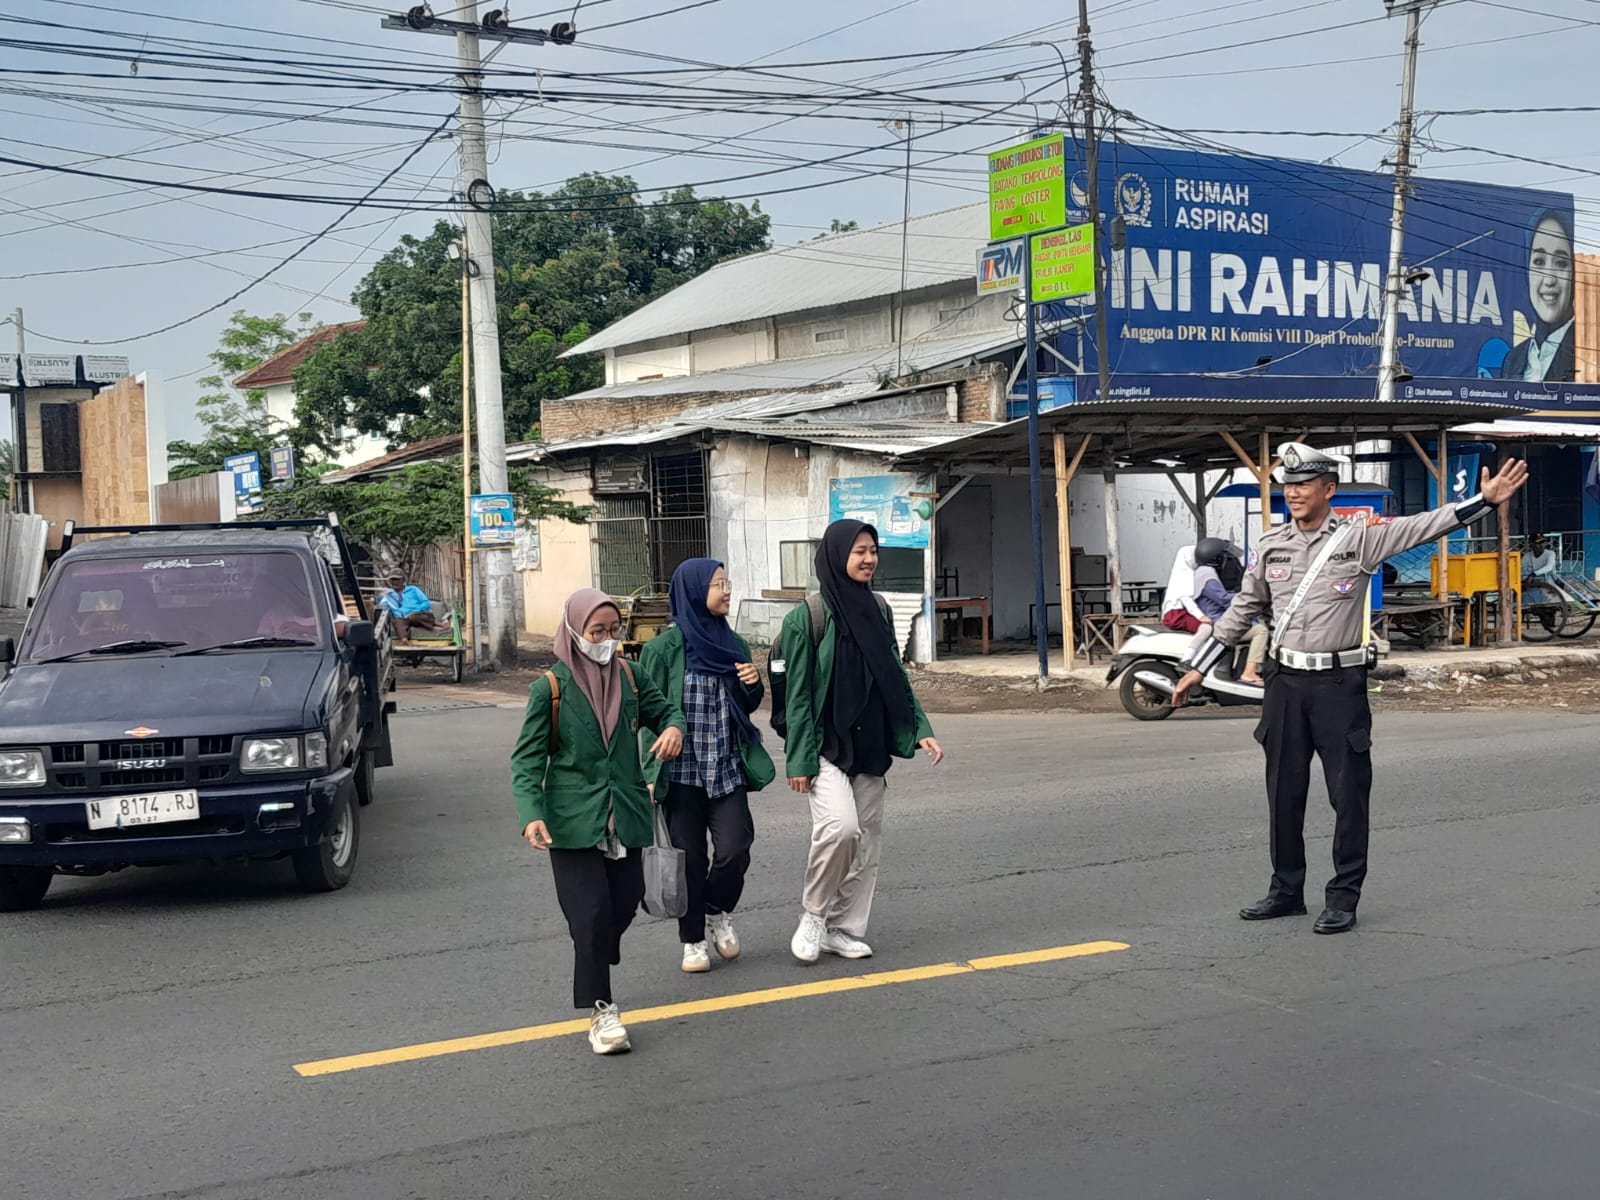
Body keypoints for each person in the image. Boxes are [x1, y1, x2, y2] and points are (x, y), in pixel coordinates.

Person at [1172, 443, 1529, 934]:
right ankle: (1285, 891)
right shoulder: (1273, 545)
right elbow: (1242, 611)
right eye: (1288, 486)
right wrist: (1198, 667)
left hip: (1339, 685)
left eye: (1303, 484)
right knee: (1283, 791)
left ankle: (1343, 896)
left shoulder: (1359, 540)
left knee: (1348, 794)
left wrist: (1483, 502)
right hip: (1284, 683)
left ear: (1328, 490)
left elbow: (1423, 525)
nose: (1293, 493)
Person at [510, 588, 686, 1056]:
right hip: (571, 822)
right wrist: (531, 815)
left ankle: (596, 953)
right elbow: (527, 762)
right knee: (588, 916)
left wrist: (672, 728)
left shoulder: (631, 675)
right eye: (597, 632)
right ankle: (602, 1010)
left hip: (626, 815)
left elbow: (666, 710)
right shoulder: (549, 688)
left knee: (623, 905)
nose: (607, 640)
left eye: (614, 630)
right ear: (574, 632)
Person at [776, 520, 944, 965]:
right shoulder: (807, 617)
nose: (869, 559)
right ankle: (814, 914)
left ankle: (843, 928)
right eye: (858, 552)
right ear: (836, 556)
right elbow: (796, 695)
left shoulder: (881, 609)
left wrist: (920, 727)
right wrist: (799, 759)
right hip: (826, 744)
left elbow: (894, 674)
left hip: (870, 743)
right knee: (840, 828)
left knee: (866, 843)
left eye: (872, 550)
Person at [638, 559, 775, 975]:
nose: (727, 590)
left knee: (735, 850)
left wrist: (753, 685)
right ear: (696, 591)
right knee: (688, 860)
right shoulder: (661, 650)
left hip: (726, 768)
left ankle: (716, 909)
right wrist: (647, 771)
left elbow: (743, 708)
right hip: (680, 776)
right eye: (719, 584)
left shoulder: (733, 644)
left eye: (726, 582)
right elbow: (645, 711)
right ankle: (692, 938)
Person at [1500, 208, 1576, 383]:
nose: (1549, 280)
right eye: (1539, 262)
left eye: (1561, 263)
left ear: (1574, 273)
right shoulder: (1512, 360)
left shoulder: (1587, 352)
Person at [1192, 538, 1266, 687]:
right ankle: (1249, 673)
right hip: (1218, 621)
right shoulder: (1207, 575)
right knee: (1261, 630)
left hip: (1219, 618)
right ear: (1216, 559)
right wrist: (1252, 595)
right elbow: (1224, 599)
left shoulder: (1205, 571)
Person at [378, 569, 440, 641]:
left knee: (414, 616)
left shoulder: (413, 589)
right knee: (398, 621)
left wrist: (416, 611)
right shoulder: (389, 595)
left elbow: (426, 602)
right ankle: (404, 639)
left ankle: (436, 623)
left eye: (397, 579)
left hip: (419, 615)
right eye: (392, 579)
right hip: (404, 618)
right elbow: (383, 607)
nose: (395, 582)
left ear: (403, 580)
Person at [1159, 545, 1208, 634]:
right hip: (1177, 614)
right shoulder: (1185, 574)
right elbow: (1185, 598)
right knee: (1206, 628)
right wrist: (1201, 617)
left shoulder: (1178, 572)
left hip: (1172, 614)